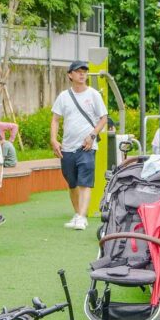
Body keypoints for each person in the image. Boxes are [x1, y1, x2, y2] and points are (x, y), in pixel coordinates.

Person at [50, 61, 107, 230]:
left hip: (87, 146)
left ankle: (82, 216)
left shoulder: (94, 95)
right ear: (70, 75)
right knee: (72, 183)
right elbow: (55, 119)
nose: (82, 74)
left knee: (85, 182)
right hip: (67, 147)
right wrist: (54, 140)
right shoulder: (63, 96)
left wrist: (92, 135)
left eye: (85, 71)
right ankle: (77, 214)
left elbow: (103, 118)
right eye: (78, 71)